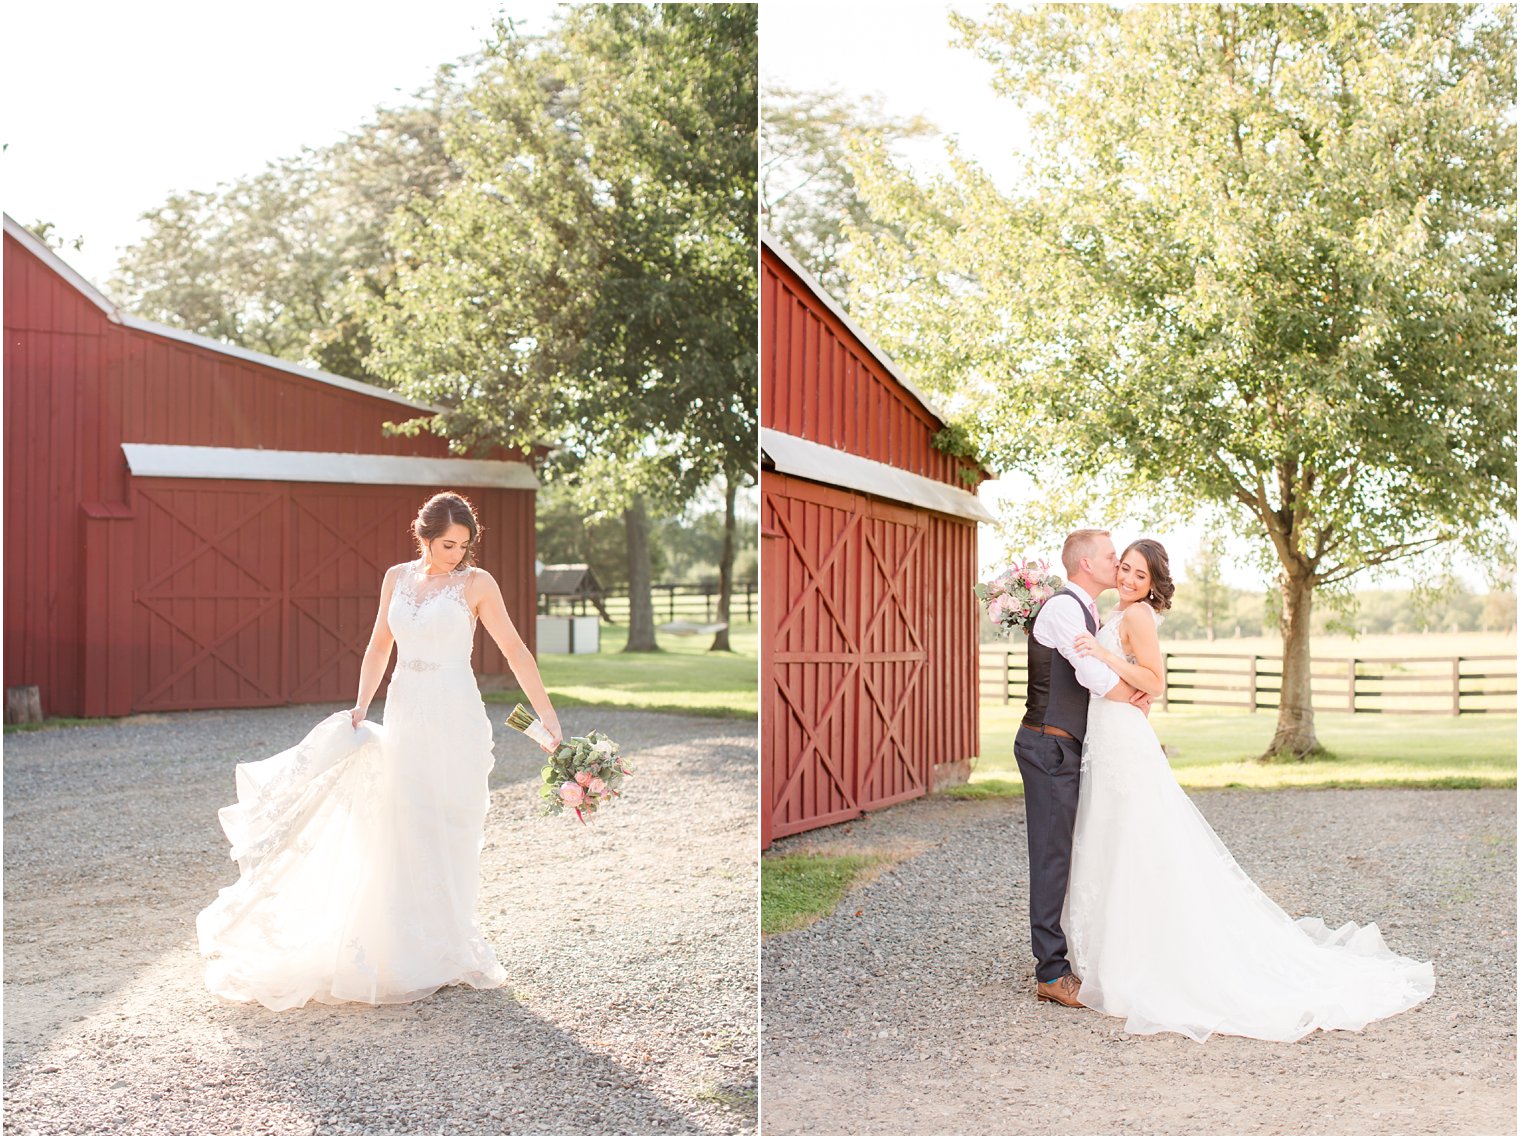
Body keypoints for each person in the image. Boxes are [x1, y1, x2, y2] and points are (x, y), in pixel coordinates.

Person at [197, 491, 563, 1011]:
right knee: (406, 822)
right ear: (424, 536)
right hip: (407, 710)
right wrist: (360, 705)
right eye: (445, 544)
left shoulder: (477, 585)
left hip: (456, 714)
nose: (454, 554)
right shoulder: (397, 577)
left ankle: (450, 943)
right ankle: (410, 945)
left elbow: (515, 649)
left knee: (453, 824)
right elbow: (378, 647)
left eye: (462, 545)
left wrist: (546, 717)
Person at [1065, 538, 1434, 1041]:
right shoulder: (1122, 611)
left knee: (1136, 839)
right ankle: (1117, 949)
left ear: (1153, 586)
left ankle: (1142, 957)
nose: (1128, 579)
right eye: (1125, 569)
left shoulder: (1138, 617)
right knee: (1117, 836)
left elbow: (1155, 680)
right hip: (1110, 734)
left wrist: (1105, 655)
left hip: (1123, 739)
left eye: (1139, 576)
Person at [1012, 528, 1150, 1008]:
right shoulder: (1065, 608)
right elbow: (1092, 676)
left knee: (1067, 853)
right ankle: (1050, 971)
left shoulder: (1090, 611)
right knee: (1051, 857)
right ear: (1087, 565)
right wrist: (1135, 697)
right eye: (1113, 557)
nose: (1119, 564)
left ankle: (1066, 954)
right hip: (1047, 744)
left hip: (1066, 746)